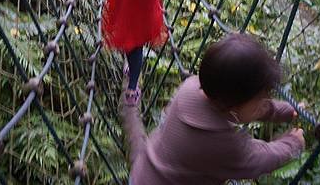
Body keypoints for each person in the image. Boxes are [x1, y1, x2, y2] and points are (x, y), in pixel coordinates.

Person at [121, 33, 305, 184]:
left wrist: (287, 110)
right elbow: (258, 158)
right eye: (260, 98)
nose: (264, 102)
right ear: (234, 104)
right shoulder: (219, 143)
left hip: (143, 172)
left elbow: (249, 109)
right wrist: (293, 142)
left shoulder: (192, 88)